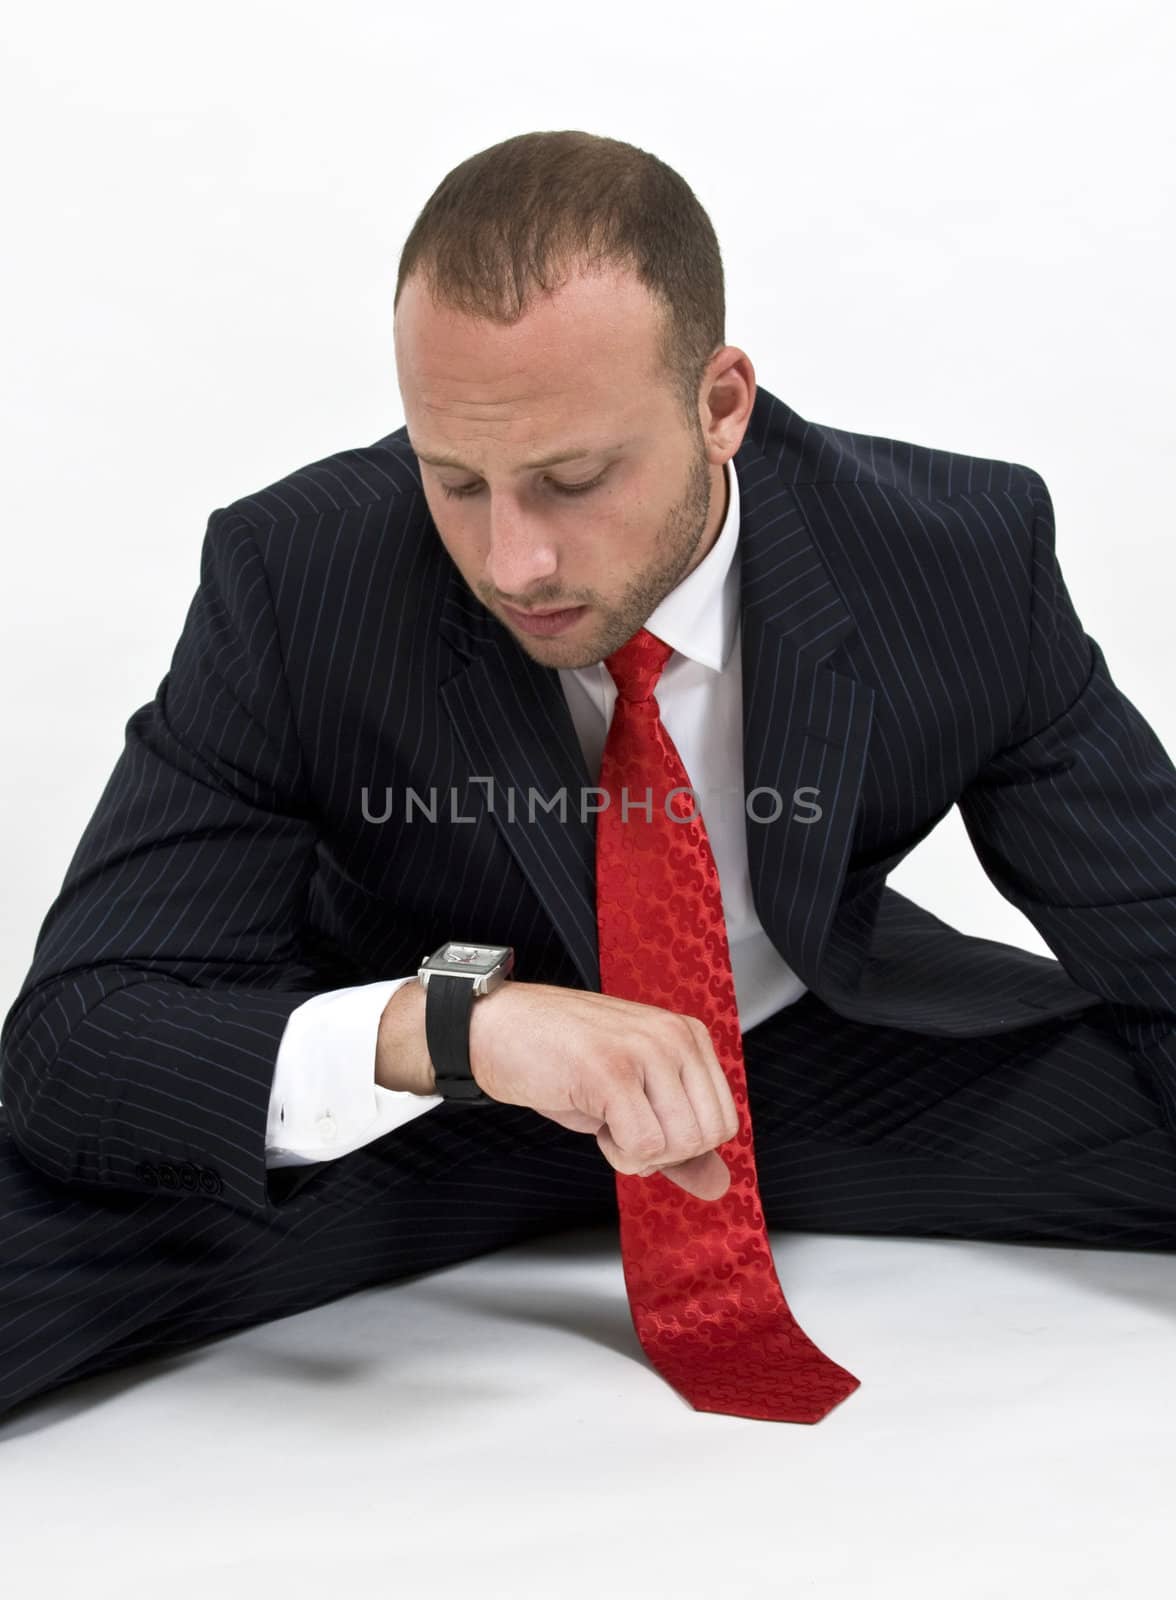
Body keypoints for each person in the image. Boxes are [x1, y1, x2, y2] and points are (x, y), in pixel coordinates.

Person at [2, 129, 1175, 1425]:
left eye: (571, 482)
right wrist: (460, 1030)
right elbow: (76, 1034)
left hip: (793, 1063)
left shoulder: (953, 557)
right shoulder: (297, 580)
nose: (513, 563)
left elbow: (1158, 937)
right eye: (454, 480)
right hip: (425, 1102)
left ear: (721, 405)